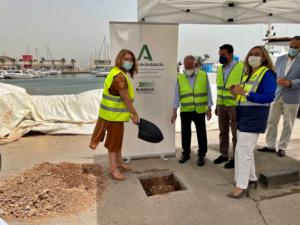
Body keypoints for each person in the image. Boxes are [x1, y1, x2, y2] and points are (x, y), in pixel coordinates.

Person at [228, 46, 276, 198]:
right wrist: (235, 92)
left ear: (264, 57)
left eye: (257, 54)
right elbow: (243, 96)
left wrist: (246, 93)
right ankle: (252, 178)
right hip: (243, 115)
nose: (253, 56)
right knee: (242, 150)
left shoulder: (268, 74)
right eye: (251, 54)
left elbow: (269, 96)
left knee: (243, 152)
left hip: (255, 116)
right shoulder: (248, 73)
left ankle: (241, 185)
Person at [89, 49, 139, 180]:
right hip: (112, 117)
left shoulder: (116, 73)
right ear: (120, 60)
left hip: (114, 115)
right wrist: (134, 113)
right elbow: (126, 98)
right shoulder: (119, 77)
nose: (129, 62)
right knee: (113, 143)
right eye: (126, 59)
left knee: (117, 141)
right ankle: (113, 169)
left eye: (131, 59)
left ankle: (120, 163)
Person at [258, 36, 300, 157]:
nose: (292, 48)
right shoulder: (280, 59)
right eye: (291, 46)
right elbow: (274, 74)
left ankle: (282, 147)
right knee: (272, 120)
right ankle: (270, 145)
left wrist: (291, 83)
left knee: (288, 123)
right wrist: (275, 80)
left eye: (295, 47)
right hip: (277, 94)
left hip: (292, 96)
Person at [171, 55, 213, 166]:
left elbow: (208, 92)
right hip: (185, 110)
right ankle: (186, 154)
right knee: (185, 133)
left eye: (190, 66)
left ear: (195, 64)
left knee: (201, 133)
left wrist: (209, 108)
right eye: (186, 66)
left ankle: (201, 155)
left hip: (199, 110)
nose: (188, 68)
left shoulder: (203, 75)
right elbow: (176, 95)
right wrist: (174, 111)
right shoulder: (180, 78)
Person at [214, 44, 244, 169]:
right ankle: (224, 154)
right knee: (223, 132)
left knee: (235, 134)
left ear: (231, 54)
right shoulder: (220, 69)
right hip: (222, 105)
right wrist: (217, 104)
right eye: (220, 55)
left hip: (234, 105)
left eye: (223, 55)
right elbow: (219, 88)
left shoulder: (241, 67)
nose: (221, 57)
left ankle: (235, 158)